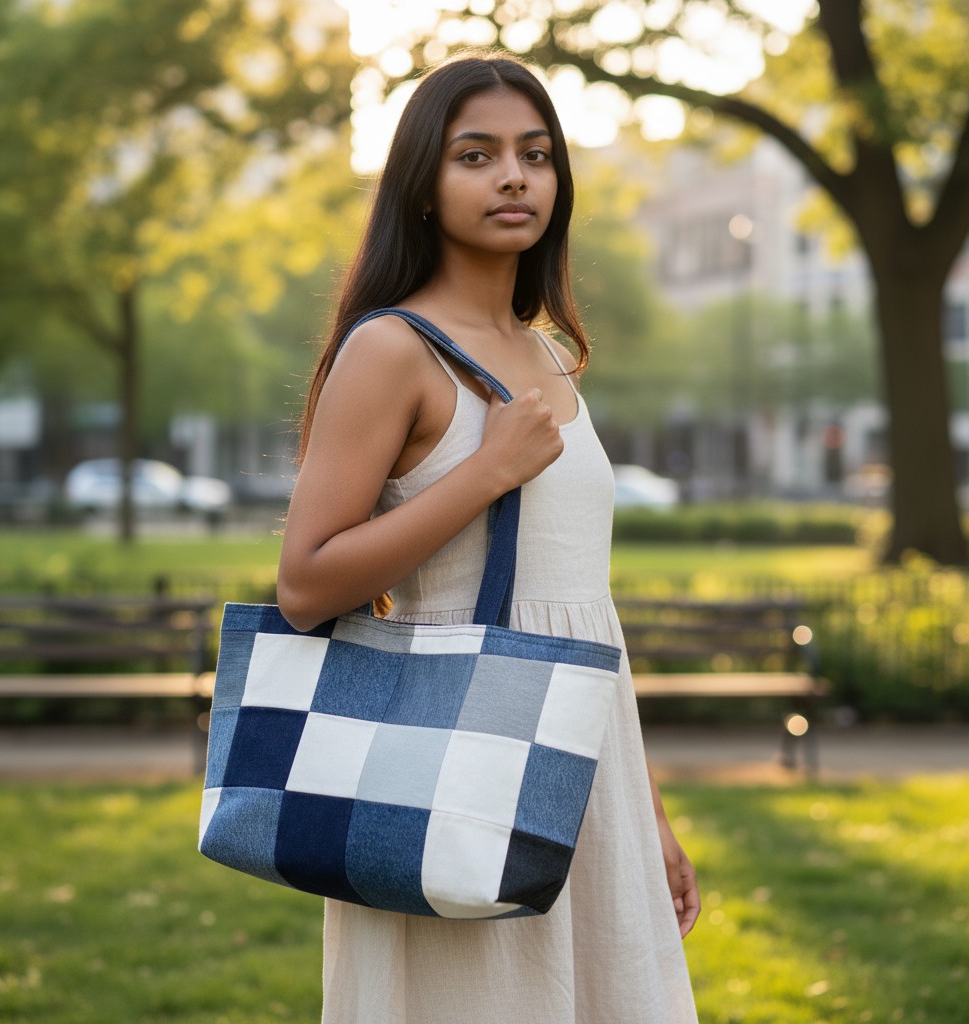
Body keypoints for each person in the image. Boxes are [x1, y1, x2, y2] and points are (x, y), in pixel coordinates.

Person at [278, 50, 700, 1024]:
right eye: (476, 154)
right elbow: (305, 583)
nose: (514, 175)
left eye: (535, 153)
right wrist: (484, 471)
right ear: (422, 185)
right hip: (444, 760)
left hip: (580, 762)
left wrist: (646, 814)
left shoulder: (549, 355)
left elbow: (578, 608)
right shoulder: (391, 350)